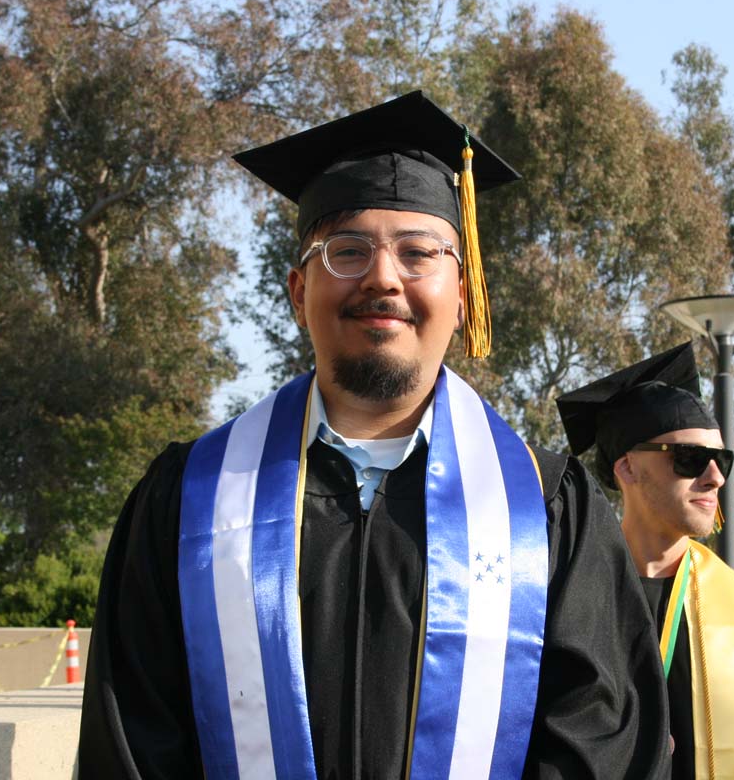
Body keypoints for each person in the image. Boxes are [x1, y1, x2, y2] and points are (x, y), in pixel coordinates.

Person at [78, 91, 671, 779]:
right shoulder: (191, 500)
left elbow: (604, 744)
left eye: (419, 253)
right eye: (347, 251)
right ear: (298, 293)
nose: (383, 277)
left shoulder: (545, 510)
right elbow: (133, 743)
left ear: (462, 292)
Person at [555, 342, 734, 780]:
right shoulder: (566, 603)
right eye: (691, 458)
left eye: (722, 460)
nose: (715, 476)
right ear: (627, 469)